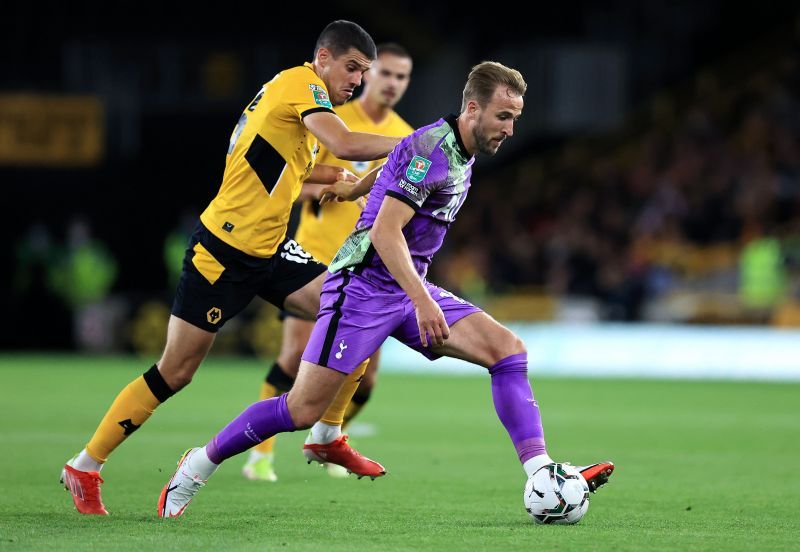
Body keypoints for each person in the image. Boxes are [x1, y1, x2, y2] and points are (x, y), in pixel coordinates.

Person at [156, 61, 615, 518]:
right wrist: (422, 301)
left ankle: (541, 472)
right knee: (300, 409)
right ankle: (197, 463)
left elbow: (398, 171)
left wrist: (357, 189)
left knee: (507, 351)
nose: (511, 129)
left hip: (403, 288)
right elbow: (385, 232)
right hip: (361, 288)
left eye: (515, 118)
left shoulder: (456, 149)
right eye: (503, 116)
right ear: (472, 109)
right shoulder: (430, 149)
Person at [61, 20, 405, 516]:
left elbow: (300, 167)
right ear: (323, 58)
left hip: (269, 251)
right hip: (223, 252)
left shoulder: (296, 104)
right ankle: (85, 466)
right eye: (352, 68)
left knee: (359, 304)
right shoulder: (300, 84)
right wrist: (415, 142)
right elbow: (347, 142)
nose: (358, 80)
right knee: (175, 372)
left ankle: (327, 434)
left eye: (365, 72)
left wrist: (350, 182)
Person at [242, 43, 414, 483]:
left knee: (368, 376)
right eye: (386, 74)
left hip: (364, 262)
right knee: (296, 356)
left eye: (402, 77)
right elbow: (292, 174)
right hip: (314, 254)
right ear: (368, 77)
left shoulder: (405, 133)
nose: (393, 84)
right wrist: (334, 186)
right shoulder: (331, 117)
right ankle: (259, 455)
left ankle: (327, 437)